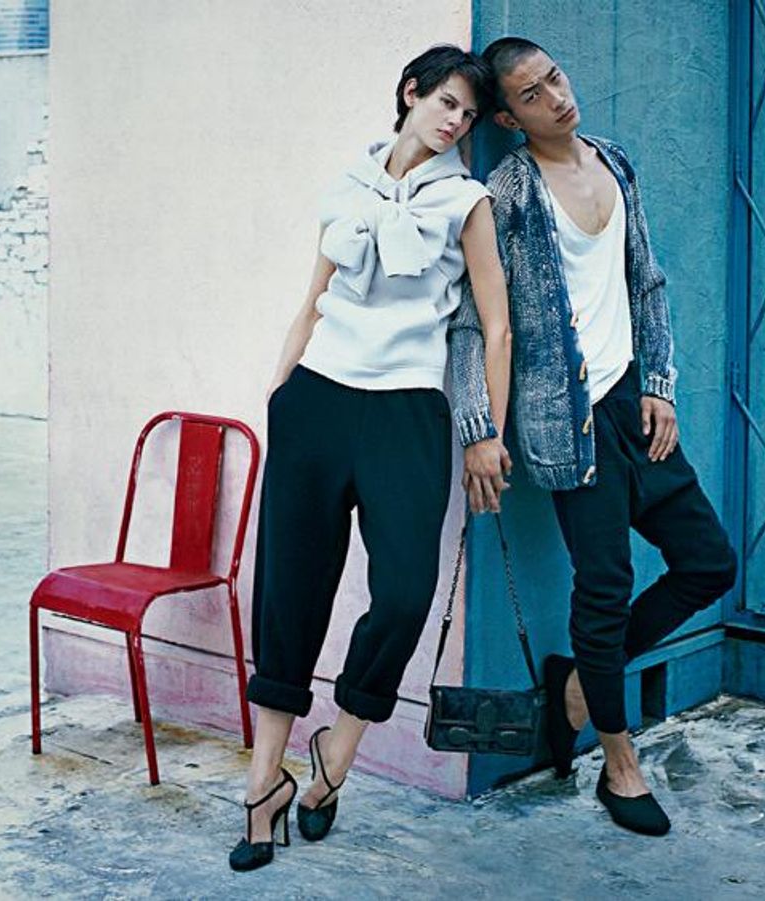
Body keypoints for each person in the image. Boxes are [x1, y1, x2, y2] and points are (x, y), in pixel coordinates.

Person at [229, 44, 513, 872]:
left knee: (404, 594)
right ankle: (262, 786)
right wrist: (280, 392)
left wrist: (488, 430)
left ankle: (336, 754)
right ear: (410, 93)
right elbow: (311, 298)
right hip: (316, 401)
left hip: (407, 412)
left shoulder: (466, 200)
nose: (456, 121)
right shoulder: (347, 187)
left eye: (468, 113)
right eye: (446, 102)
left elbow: (496, 325)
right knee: (288, 596)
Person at [458, 36, 739, 836]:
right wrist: (479, 427)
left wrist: (661, 385)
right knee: (605, 586)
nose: (557, 96)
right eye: (533, 94)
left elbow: (646, 282)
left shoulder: (615, 161)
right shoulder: (506, 195)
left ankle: (580, 682)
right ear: (509, 119)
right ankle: (619, 765)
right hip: (565, 423)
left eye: (555, 77)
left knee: (709, 561)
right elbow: (476, 322)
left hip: (632, 409)